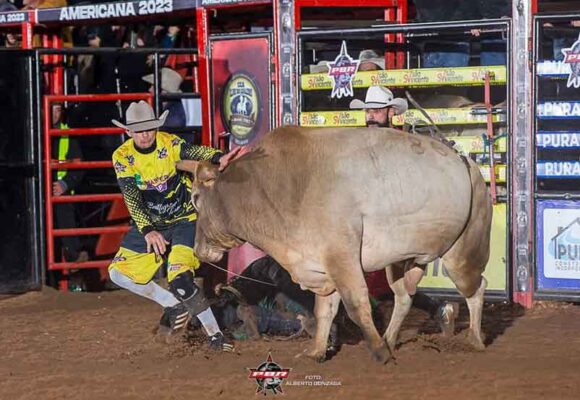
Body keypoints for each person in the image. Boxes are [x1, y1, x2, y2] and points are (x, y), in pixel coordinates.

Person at [108, 100, 240, 351]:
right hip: (150, 222)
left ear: (156, 128)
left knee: (180, 278)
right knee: (118, 273)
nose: (145, 135)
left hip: (183, 220)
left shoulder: (169, 144)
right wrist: (148, 230)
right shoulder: (122, 157)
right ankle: (171, 304)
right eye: (139, 130)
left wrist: (218, 156)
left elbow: (193, 152)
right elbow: (131, 196)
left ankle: (215, 335)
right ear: (129, 132)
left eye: (149, 129)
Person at [350, 85, 457, 335]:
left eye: (377, 111)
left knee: (390, 282)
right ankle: (437, 309)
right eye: (368, 110)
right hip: (371, 220)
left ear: (390, 112)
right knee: (384, 282)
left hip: (398, 221)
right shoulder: (359, 143)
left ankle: (434, 309)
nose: (371, 116)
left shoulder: (403, 144)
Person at [51, 102, 88, 263]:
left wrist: (65, 184)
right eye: (50, 110)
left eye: (57, 110)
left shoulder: (68, 134)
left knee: (64, 208)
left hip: (60, 192)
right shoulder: (31, 134)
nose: (53, 115)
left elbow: (79, 166)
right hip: (39, 191)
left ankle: (74, 255)